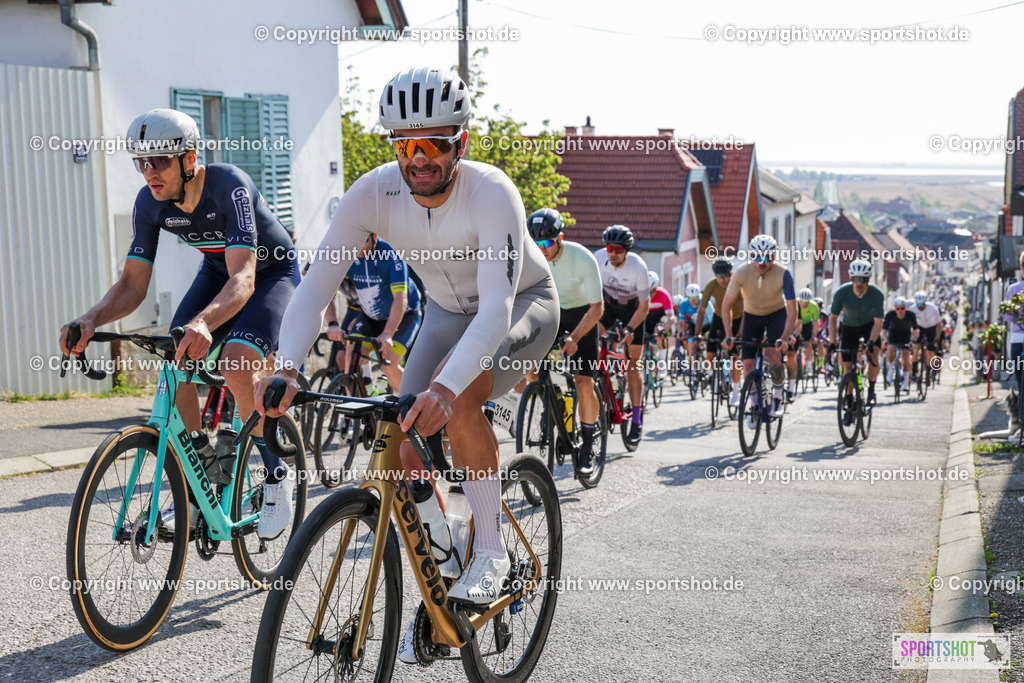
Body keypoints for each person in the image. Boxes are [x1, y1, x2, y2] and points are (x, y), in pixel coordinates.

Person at [252, 68, 559, 662]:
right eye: (404, 145)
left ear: (460, 144)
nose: (418, 159)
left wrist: (446, 389)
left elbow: (495, 308)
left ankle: (492, 550)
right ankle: (444, 562)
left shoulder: (492, 191)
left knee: (461, 398)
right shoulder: (370, 194)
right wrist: (287, 365)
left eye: (434, 145)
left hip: (523, 306)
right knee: (404, 441)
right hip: (445, 312)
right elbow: (315, 287)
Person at [59, 108, 299, 539]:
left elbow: (244, 278)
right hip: (216, 272)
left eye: (160, 161)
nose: (149, 172)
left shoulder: (230, 186)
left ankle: (277, 474)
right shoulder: (150, 203)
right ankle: (200, 474)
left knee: (238, 364)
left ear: (189, 159)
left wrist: (206, 324)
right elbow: (133, 284)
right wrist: (90, 319)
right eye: (142, 162)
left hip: (269, 275)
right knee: (176, 360)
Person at [529, 207, 603, 474]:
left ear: (561, 238)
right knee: (530, 366)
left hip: (583, 314)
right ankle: (554, 402)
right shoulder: (532, 257)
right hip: (552, 312)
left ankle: (586, 447)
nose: (542, 249)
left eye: (547, 242)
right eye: (536, 244)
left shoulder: (583, 258)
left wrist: (575, 337)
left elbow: (597, 308)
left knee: (584, 382)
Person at [323, 233, 422, 393]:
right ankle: (358, 412)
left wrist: (388, 333)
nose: (358, 248)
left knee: (388, 364)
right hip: (371, 316)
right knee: (351, 356)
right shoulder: (344, 254)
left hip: (404, 315)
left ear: (373, 236)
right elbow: (325, 294)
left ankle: (413, 406)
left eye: (363, 241)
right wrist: (332, 323)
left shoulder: (390, 253)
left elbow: (400, 299)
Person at [722, 235, 798, 419]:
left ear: (774, 256)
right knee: (747, 364)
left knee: (773, 353)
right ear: (752, 255)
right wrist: (729, 335)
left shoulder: (784, 273)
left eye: (767, 257)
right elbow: (726, 305)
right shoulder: (742, 272)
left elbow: (792, 309)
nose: (762, 262)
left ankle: (779, 396)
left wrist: (785, 337)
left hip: (776, 315)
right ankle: (754, 403)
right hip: (752, 316)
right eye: (757, 256)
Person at [596, 225, 650, 445]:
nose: (613, 253)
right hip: (606, 307)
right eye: (610, 248)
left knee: (633, 364)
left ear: (626, 251)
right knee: (598, 346)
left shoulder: (639, 268)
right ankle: (602, 395)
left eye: (618, 249)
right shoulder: (598, 259)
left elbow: (645, 307)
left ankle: (636, 419)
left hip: (633, 310)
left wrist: (629, 329)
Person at [828, 259, 884, 417]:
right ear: (850, 278)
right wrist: (832, 341)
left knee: (873, 356)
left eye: (863, 279)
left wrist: (872, 341)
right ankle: (849, 398)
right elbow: (832, 319)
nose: (859, 283)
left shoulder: (876, 294)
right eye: (855, 279)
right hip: (849, 327)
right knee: (847, 368)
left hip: (869, 326)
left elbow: (878, 322)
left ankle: (871, 390)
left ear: (868, 280)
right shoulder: (842, 292)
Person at [695, 257, 744, 406]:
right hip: (719, 318)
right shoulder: (711, 285)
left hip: (737, 319)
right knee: (709, 356)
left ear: (731, 273)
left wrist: (740, 333)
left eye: (725, 276)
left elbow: (748, 310)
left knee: (735, 357)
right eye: (719, 277)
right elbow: (702, 310)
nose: (722, 280)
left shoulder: (738, 285)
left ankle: (736, 392)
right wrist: (697, 333)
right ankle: (716, 377)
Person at [1001, 252, 1024, 439]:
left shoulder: (1014, 289)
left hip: (1018, 342)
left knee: (1022, 386)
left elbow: (1007, 318)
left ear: (1022, 268)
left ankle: (1022, 432)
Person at [882, 296, 918, 392]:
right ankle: (890, 369)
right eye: (898, 308)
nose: (900, 311)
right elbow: (884, 330)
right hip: (893, 334)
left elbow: (916, 330)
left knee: (906, 356)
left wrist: (912, 341)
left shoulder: (911, 315)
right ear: (895, 308)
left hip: (905, 336)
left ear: (906, 308)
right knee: (890, 349)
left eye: (902, 308)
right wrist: (885, 340)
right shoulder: (890, 315)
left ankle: (906, 381)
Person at [789, 288, 820, 400]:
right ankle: (798, 362)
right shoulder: (795, 303)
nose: (804, 304)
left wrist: (814, 336)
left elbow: (816, 323)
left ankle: (810, 367)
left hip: (807, 325)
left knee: (807, 345)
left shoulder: (814, 306)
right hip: (796, 323)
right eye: (803, 302)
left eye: (806, 302)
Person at [644, 271, 676, 378]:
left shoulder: (663, 295)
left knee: (659, 333)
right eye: (646, 291)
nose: (650, 294)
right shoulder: (639, 295)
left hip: (660, 319)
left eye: (652, 291)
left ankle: (662, 365)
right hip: (646, 319)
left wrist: (664, 328)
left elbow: (671, 318)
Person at [911, 290, 943, 380]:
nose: (920, 307)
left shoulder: (932, 308)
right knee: (916, 347)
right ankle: (914, 367)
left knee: (930, 351)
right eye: (918, 305)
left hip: (931, 328)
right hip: (919, 327)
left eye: (922, 304)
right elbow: (910, 325)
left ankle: (928, 372)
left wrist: (936, 339)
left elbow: (938, 325)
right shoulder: (912, 309)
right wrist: (912, 337)